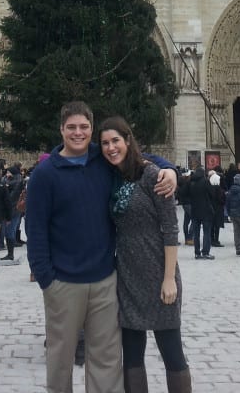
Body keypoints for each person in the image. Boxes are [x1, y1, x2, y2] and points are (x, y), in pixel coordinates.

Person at [26, 100, 177, 393]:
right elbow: (35, 231)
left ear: (91, 129)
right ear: (61, 130)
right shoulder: (45, 175)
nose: (78, 133)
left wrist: (168, 168)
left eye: (84, 127)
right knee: (60, 359)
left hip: (106, 280)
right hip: (63, 282)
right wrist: (46, 278)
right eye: (72, 127)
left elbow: (135, 157)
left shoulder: (102, 161)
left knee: (107, 360)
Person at [99, 116, 192, 393]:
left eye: (116, 140)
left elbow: (170, 228)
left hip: (158, 273)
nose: (111, 147)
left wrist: (169, 278)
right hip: (127, 275)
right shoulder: (112, 177)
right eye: (105, 143)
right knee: (132, 355)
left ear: (128, 140)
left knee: (171, 350)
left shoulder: (153, 174)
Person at [187, 166, 215, 260]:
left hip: (194, 210)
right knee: (206, 232)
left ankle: (197, 253)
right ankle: (205, 252)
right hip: (205, 210)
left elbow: (183, 193)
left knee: (196, 233)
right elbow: (212, 194)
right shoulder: (205, 181)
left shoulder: (191, 182)